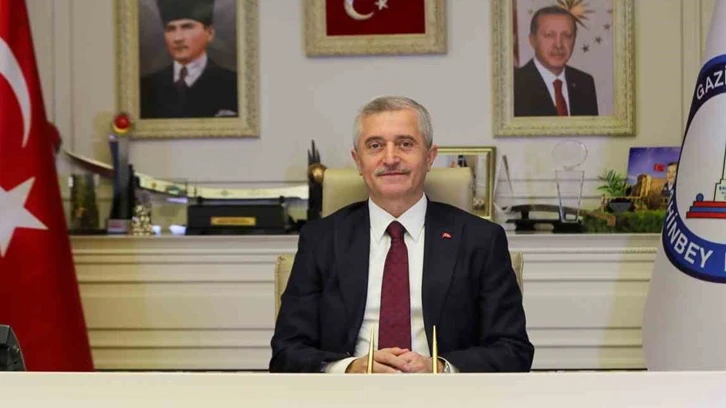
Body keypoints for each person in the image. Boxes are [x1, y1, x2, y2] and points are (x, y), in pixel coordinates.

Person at [270, 96, 534, 373]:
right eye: (375, 146)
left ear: (429, 157)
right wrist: (350, 368)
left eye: (405, 144)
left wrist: (438, 367)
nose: (390, 158)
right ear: (358, 161)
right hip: (350, 391)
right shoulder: (321, 240)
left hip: (444, 391)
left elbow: (513, 349)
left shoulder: (480, 239)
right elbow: (287, 351)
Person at [140, 0, 238, 119]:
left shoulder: (234, 85)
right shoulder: (145, 87)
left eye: (187, 27)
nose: (177, 38)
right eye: (170, 29)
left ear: (210, 33)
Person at [514, 6, 598, 117]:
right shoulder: (514, 85)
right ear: (532, 40)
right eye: (549, 35)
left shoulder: (585, 83)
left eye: (567, 35)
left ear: (574, 40)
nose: (558, 45)